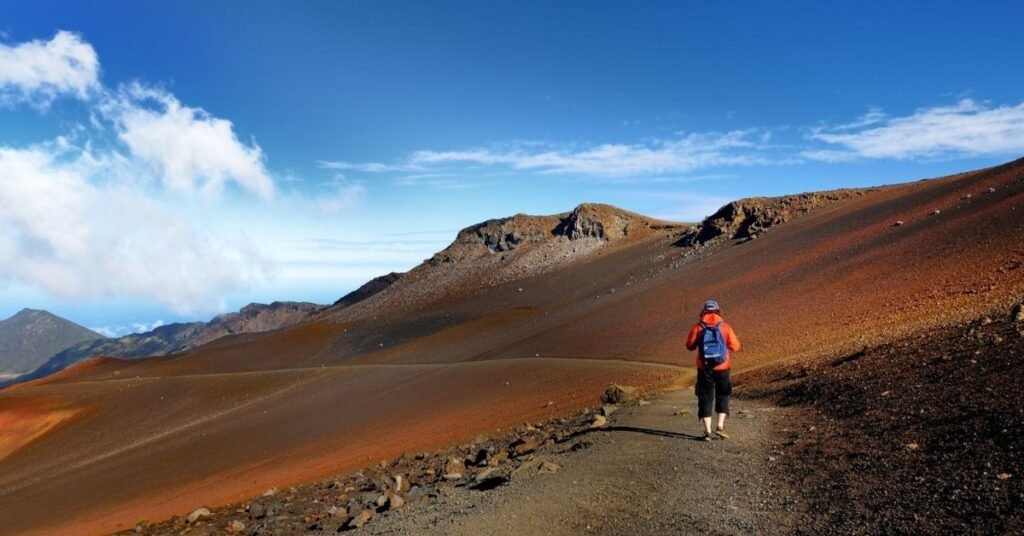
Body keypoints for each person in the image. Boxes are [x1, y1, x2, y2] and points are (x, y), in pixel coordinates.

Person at [685, 300, 741, 441]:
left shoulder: (698, 328)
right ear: (718, 311)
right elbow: (735, 347)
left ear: (704, 311)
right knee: (723, 394)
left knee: (705, 398)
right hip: (723, 367)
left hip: (704, 369)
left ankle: (707, 432)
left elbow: (689, 346)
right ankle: (720, 426)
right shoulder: (725, 327)